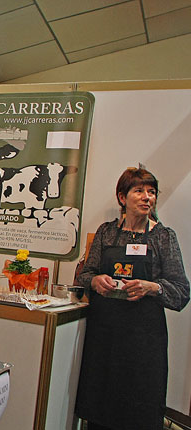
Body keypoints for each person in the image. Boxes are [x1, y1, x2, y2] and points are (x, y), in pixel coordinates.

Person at [75, 167, 189, 430]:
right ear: (122, 197)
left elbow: (182, 292)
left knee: (139, 412)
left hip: (143, 344)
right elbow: (84, 275)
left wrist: (152, 287)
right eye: (139, 191)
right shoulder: (106, 232)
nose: (147, 197)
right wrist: (94, 280)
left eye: (151, 192)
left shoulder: (163, 237)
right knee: (99, 410)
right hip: (104, 340)